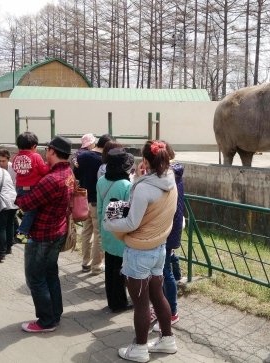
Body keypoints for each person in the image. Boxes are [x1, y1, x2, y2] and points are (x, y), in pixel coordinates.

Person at [103, 140, 178, 362]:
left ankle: (140, 348)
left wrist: (109, 222)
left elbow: (131, 223)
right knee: (158, 295)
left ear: (145, 160)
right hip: (159, 248)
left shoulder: (145, 187)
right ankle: (167, 339)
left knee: (141, 303)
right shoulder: (170, 180)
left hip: (139, 251)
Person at [16, 136, 74, 333]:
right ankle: (55, 313)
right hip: (57, 230)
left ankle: (46, 321)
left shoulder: (51, 179)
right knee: (50, 274)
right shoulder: (68, 173)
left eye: (47, 150)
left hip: (42, 234)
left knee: (35, 278)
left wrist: (18, 196)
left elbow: (26, 203)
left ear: (51, 151)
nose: (44, 153)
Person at [97, 148, 134, 313]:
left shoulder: (101, 181)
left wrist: (101, 227)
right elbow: (128, 212)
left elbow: (99, 209)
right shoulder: (126, 185)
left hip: (106, 228)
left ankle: (111, 300)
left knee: (110, 265)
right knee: (119, 269)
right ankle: (119, 303)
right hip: (120, 233)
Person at [152, 144, 184, 332]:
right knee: (162, 271)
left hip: (167, 227)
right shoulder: (172, 173)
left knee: (165, 272)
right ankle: (162, 307)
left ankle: (171, 312)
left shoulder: (167, 176)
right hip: (170, 226)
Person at [75, 134, 113, 274]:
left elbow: (77, 174)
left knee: (86, 232)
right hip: (97, 200)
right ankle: (96, 266)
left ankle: (85, 263)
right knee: (98, 234)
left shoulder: (82, 156)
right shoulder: (102, 161)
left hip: (84, 199)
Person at [12, 132, 49, 243]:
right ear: (34, 146)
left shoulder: (16, 157)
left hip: (19, 187)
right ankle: (21, 233)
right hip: (33, 188)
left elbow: (15, 168)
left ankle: (22, 212)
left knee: (27, 208)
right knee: (32, 211)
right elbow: (44, 171)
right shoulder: (35, 156)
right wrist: (48, 164)